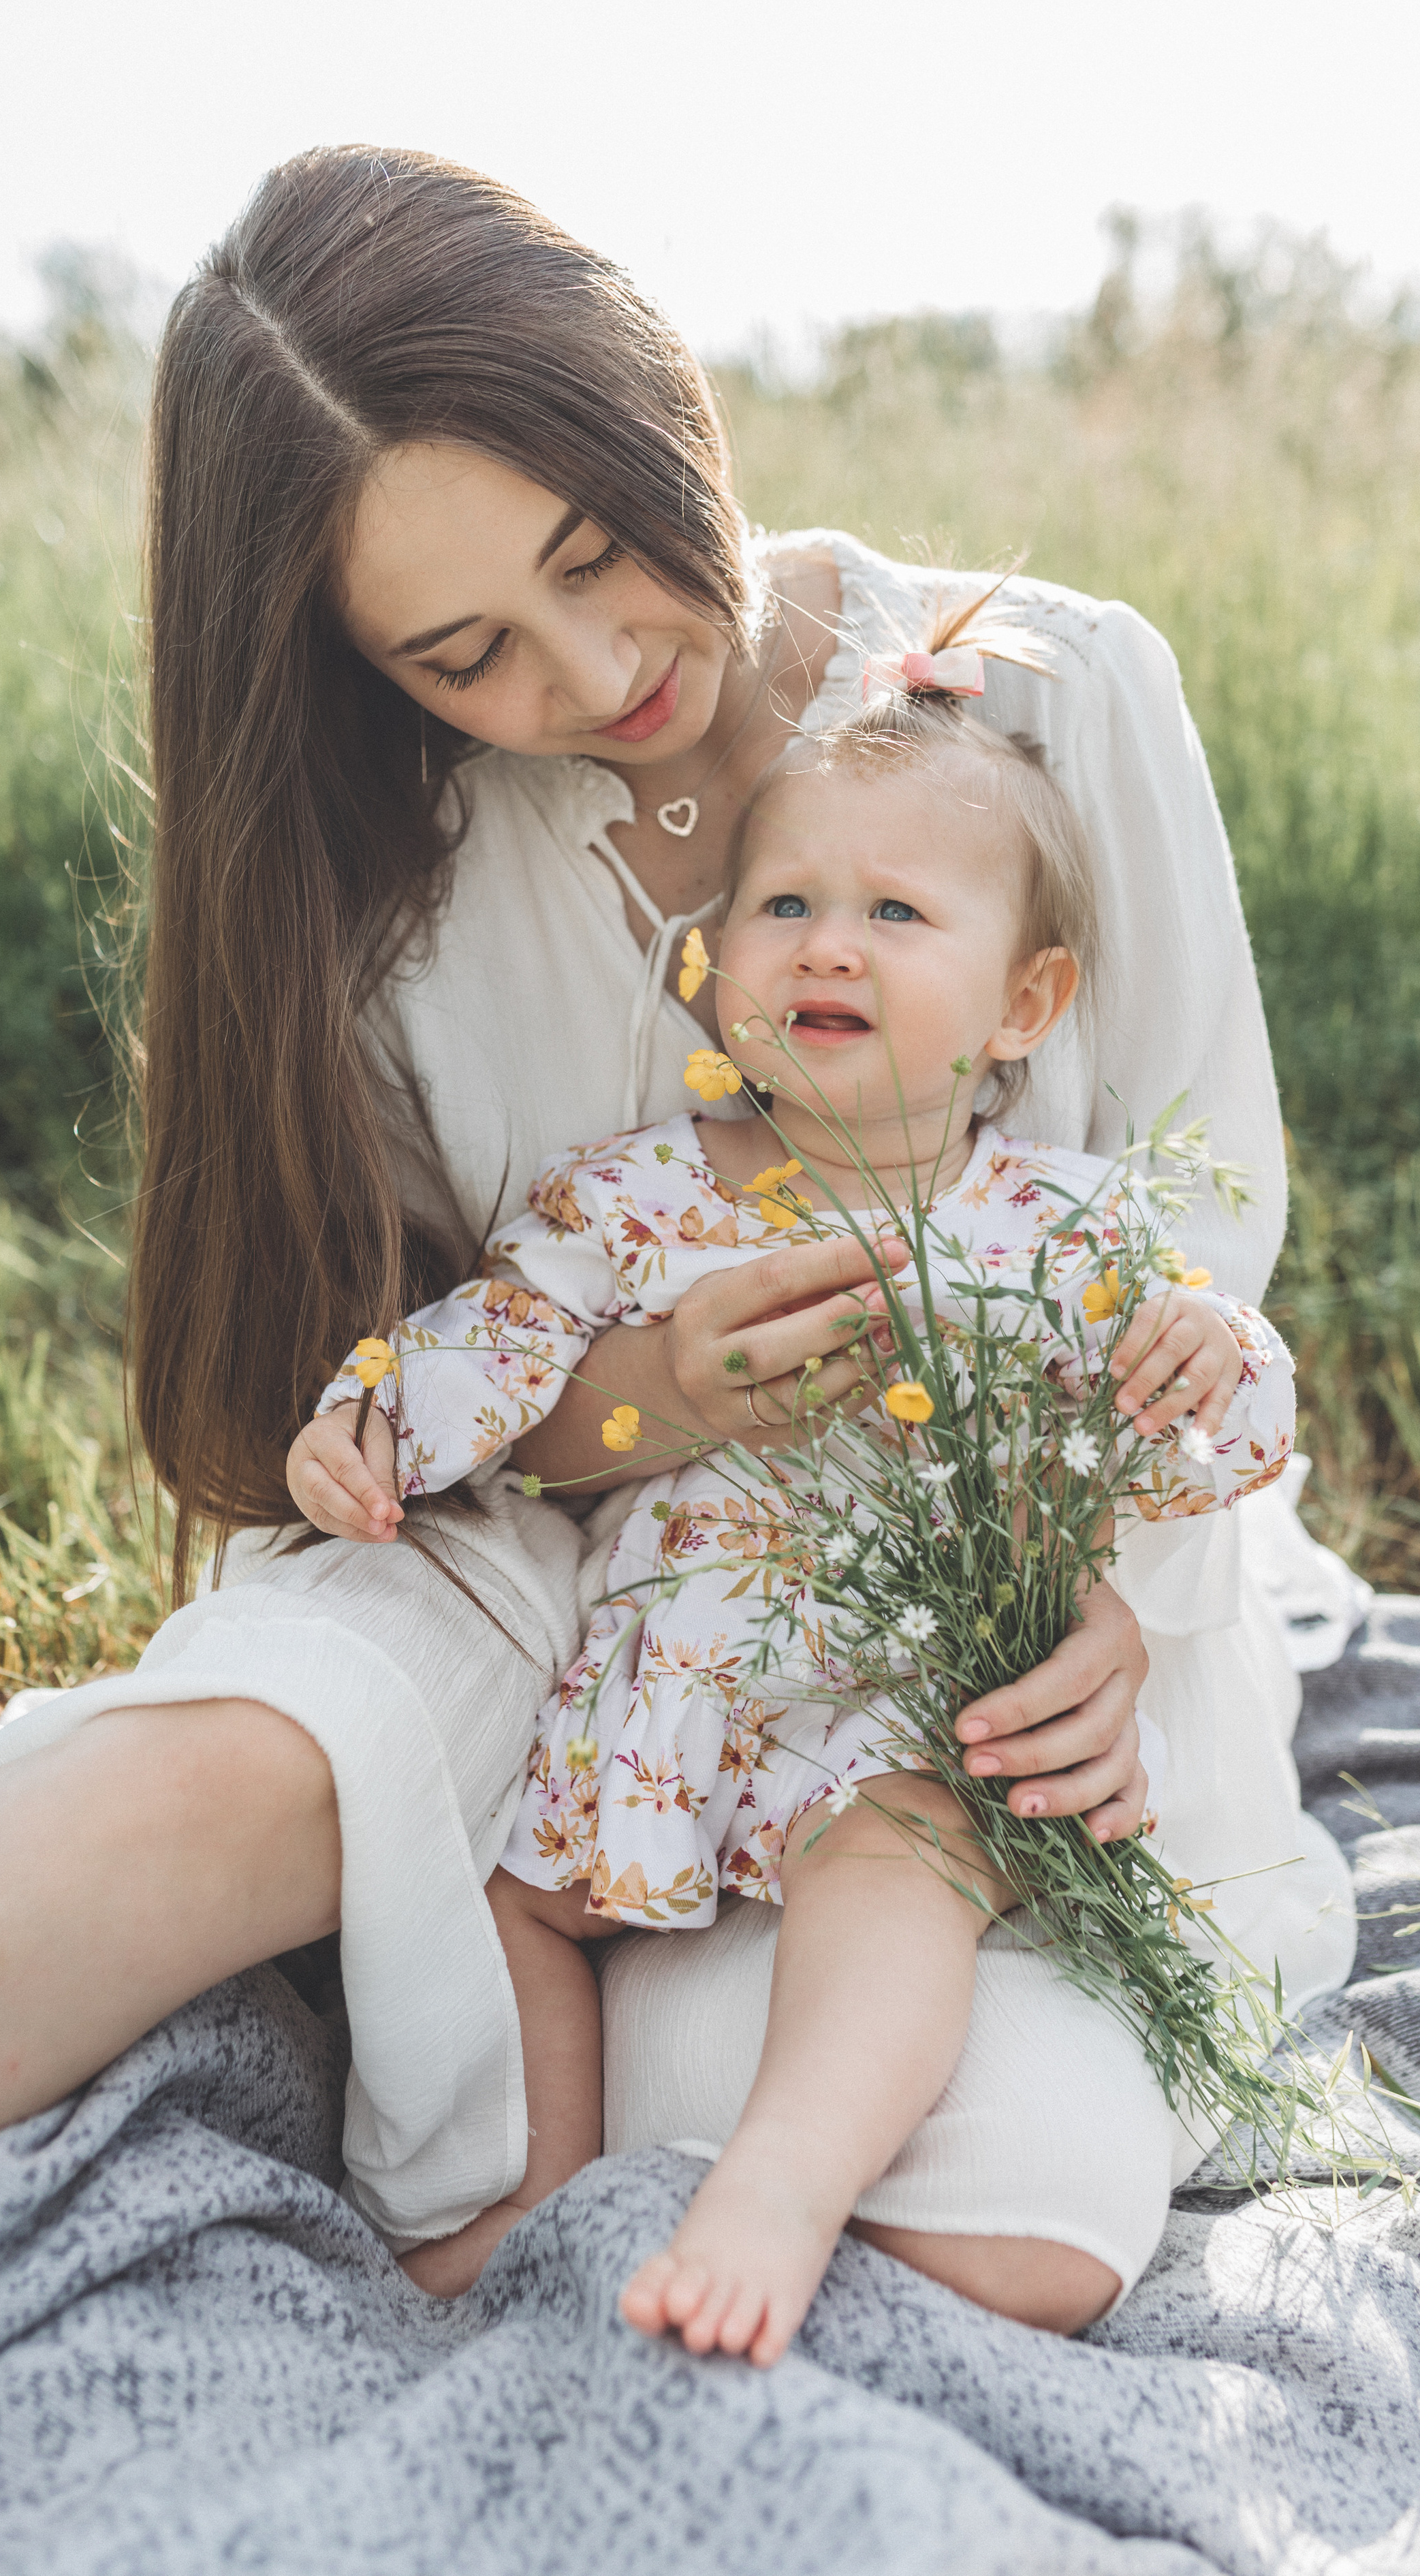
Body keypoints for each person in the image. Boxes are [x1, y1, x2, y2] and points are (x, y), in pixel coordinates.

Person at [0, 146, 1351, 2336]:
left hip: (976, 1603)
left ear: (662, 398)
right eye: (464, 653)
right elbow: (410, 1371)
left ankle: (644, 2172)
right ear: (358, 660)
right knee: (256, 1745)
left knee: (993, 2167)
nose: (597, 670)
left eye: (600, 555)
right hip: (536, 1548)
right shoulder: (375, 861)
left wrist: (1086, 1598)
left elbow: (1199, 1236)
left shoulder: (1061, 691)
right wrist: (654, 1394)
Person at [290, 620, 1297, 2360]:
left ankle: (782, 2178)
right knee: (511, 1904)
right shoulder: (637, 1194)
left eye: (896, 913)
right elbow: (500, 1339)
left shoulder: (1051, 1226)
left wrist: (1213, 1359)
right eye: (784, 907)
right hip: (665, 1692)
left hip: (897, 1697)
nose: (829, 942)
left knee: (902, 1864)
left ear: (1023, 1006)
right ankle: (522, 2205)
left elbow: (1217, 1428)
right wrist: (367, 1420)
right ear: (709, 976)